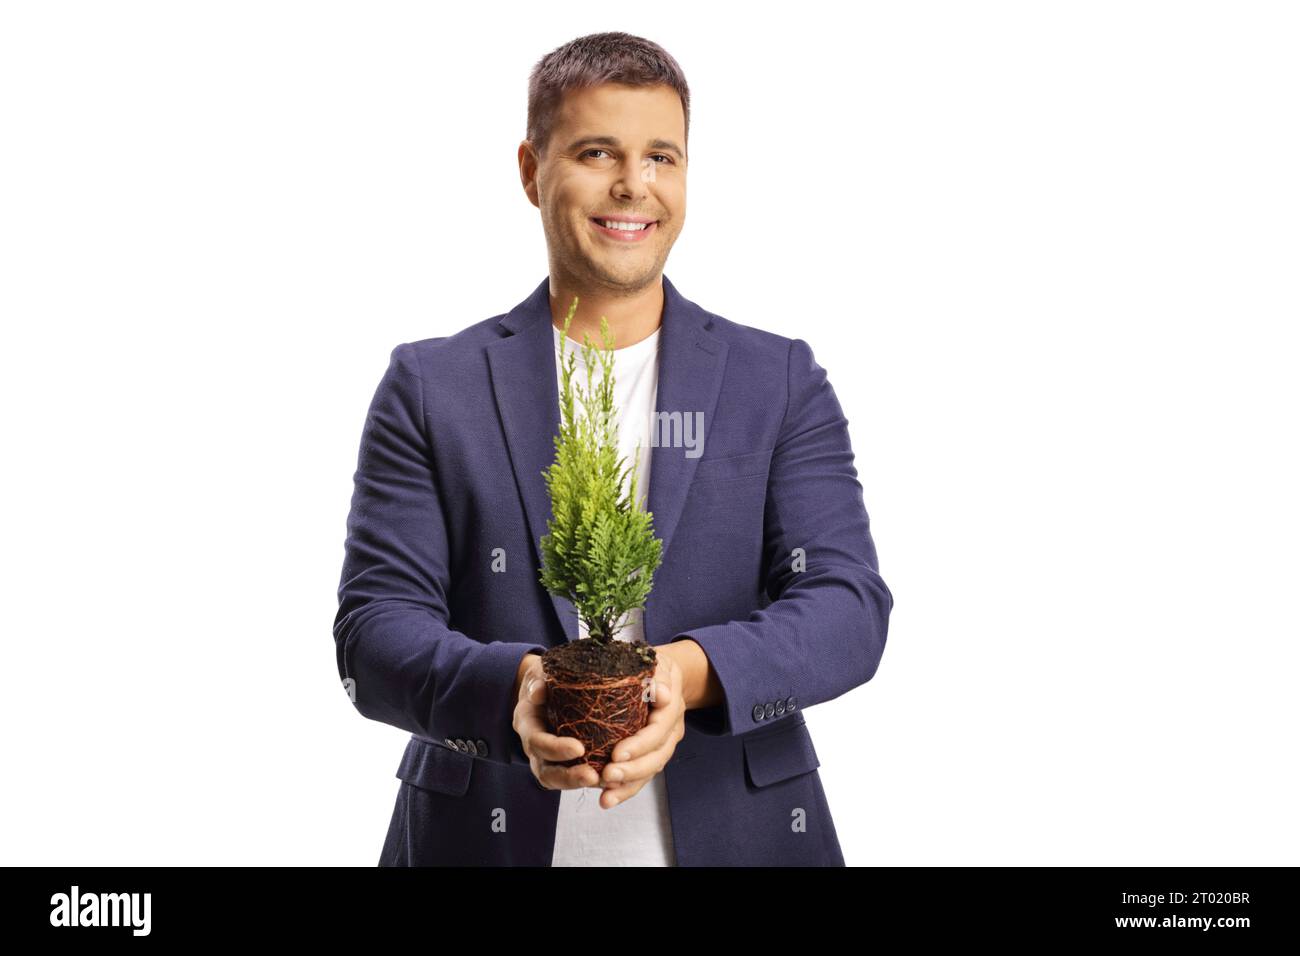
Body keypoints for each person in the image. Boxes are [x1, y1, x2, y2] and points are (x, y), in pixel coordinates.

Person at [333, 30, 894, 867]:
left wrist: (687, 671)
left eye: (662, 157)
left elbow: (849, 606)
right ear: (531, 169)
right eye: (599, 152)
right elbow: (375, 632)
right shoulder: (431, 386)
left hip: (744, 837)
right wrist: (518, 684)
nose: (635, 185)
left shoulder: (777, 379)